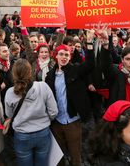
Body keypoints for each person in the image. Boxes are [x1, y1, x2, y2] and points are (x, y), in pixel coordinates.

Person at [45, 29, 97, 166]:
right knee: (58, 156)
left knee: (76, 157)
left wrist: (90, 42)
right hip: (56, 121)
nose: (64, 57)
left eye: (67, 54)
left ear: (70, 56)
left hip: (73, 120)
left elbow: (91, 64)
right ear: (56, 56)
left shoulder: (76, 70)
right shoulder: (49, 76)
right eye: (61, 54)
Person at [4, 59, 58, 166]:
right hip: (43, 132)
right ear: (31, 72)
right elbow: (54, 112)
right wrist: (44, 119)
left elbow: (9, 115)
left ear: (14, 74)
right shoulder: (43, 86)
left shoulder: (10, 92)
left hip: (22, 135)